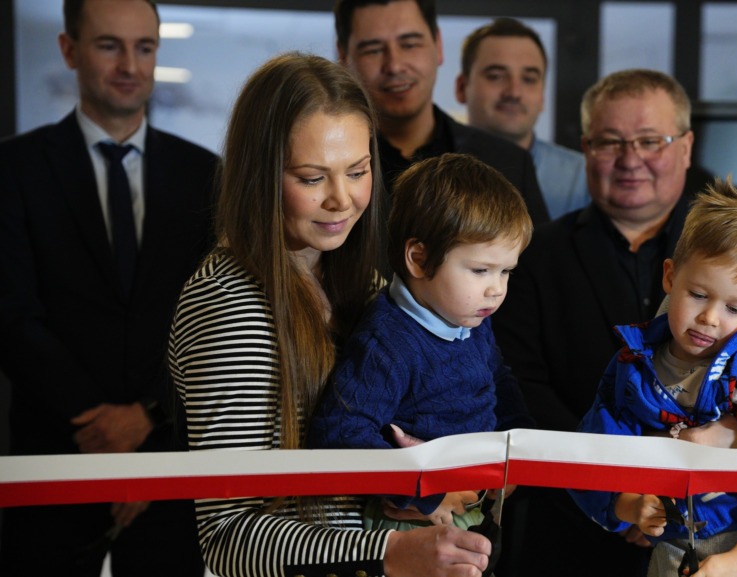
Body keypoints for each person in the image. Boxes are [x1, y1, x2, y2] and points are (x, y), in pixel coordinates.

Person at [169, 52, 491, 577]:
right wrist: (388, 551)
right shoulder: (227, 301)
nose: (342, 199)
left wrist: (432, 476)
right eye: (312, 177)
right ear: (259, 175)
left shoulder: (361, 280)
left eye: (358, 171)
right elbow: (228, 537)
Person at [0, 0, 217, 574]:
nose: (130, 64)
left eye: (144, 47)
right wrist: (101, 424)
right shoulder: (13, 169)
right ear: (69, 49)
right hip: (53, 456)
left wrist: (147, 418)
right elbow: (11, 314)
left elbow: (210, 322)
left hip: (169, 464)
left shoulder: (207, 175)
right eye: (108, 45)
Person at [491, 68, 713, 577]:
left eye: (650, 141)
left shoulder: (734, 258)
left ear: (685, 147)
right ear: (586, 148)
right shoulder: (532, 254)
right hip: (566, 526)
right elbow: (522, 386)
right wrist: (609, 493)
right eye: (610, 142)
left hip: (707, 524)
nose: (630, 159)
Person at [571, 179, 737, 577]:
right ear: (670, 277)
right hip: (675, 546)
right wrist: (629, 505)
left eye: (735, 308)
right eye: (699, 295)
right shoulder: (631, 365)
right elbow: (595, 454)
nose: (710, 318)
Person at [309, 152, 534, 531]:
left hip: (473, 508)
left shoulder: (471, 316)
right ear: (418, 259)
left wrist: (518, 454)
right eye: (480, 270)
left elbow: (498, 383)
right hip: (413, 523)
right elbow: (339, 434)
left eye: (506, 271)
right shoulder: (388, 343)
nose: (496, 290)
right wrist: (423, 490)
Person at [333, 0, 550, 225]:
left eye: (409, 44)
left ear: (438, 46)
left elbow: (537, 260)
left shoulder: (509, 162)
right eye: (374, 50)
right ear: (343, 56)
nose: (394, 66)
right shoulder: (327, 163)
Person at [456, 17, 589, 218]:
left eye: (529, 79)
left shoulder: (584, 178)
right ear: (461, 88)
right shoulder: (428, 172)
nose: (514, 92)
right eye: (496, 76)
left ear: (543, 96)